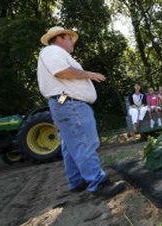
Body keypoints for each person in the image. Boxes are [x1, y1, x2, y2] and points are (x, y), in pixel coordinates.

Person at [37, 26, 125, 197]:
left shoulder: (54, 53)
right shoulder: (52, 50)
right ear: (59, 38)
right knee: (85, 142)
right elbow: (61, 72)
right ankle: (98, 183)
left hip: (64, 103)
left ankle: (77, 181)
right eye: (70, 39)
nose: (73, 42)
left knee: (71, 145)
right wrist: (90, 74)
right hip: (70, 104)